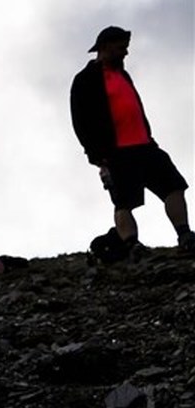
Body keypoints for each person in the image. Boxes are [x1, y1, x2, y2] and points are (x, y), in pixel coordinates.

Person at [70, 25, 194, 254]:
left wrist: (149, 137)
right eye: (121, 48)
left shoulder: (123, 75)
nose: (125, 52)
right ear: (105, 47)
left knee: (174, 186)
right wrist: (97, 156)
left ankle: (185, 235)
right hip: (115, 152)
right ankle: (131, 245)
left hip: (145, 145)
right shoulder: (85, 79)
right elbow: (80, 120)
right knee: (123, 202)